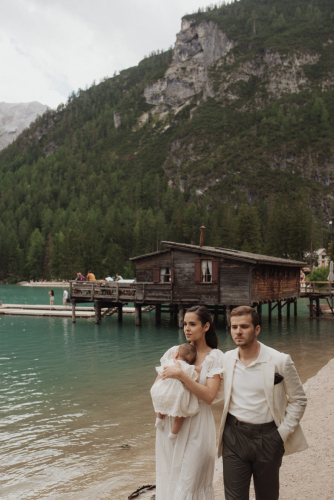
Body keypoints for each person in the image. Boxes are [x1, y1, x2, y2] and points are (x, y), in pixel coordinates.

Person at [217, 306, 308, 500]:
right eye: (234, 327)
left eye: (244, 326)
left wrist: (281, 434)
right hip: (234, 436)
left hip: (268, 437)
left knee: (267, 496)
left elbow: (299, 400)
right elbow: (213, 391)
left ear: (257, 329)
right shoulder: (226, 359)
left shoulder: (279, 361)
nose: (238, 332)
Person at [157, 305, 224, 500]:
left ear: (206, 326)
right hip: (170, 424)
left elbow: (209, 397)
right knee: (170, 478)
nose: (186, 328)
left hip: (197, 425)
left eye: (192, 324)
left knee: (191, 482)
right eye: (185, 324)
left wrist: (181, 375)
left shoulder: (215, 357)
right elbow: (157, 388)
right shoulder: (174, 352)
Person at [151, 343, 199, 440]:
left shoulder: (169, 362)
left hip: (162, 392)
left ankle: (159, 419)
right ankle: (173, 435)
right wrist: (197, 368)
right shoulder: (188, 368)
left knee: (161, 403)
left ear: (176, 354)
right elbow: (195, 379)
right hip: (176, 396)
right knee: (179, 417)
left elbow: (160, 371)